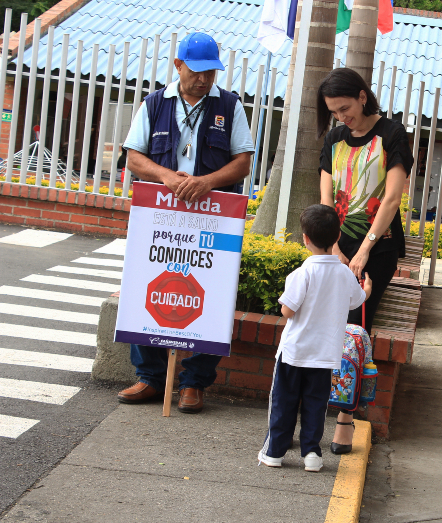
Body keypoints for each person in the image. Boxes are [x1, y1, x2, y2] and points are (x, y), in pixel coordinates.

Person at [117, 32, 255, 413]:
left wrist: (206, 182)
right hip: (160, 216)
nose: (204, 79)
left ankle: (194, 384)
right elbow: (133, 158)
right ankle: (150, 378)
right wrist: (165, 175)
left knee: (210, 294)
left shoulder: (230, 106)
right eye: (197, 72)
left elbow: (243, 161)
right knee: (149, 286)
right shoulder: (154, 104)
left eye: (211, 72)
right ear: (178, 66)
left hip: (213, 217)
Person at [316, 67, 413, 455]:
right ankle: (313, 403)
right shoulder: (335, 137)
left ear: (361, 95)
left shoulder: (392, 134)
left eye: (345, 108)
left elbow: (391, 199)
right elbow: (326, 199)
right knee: (325, 324)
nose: (342, 117)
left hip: (377, 247)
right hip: (335, 247)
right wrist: (334, 247)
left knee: (356, 328)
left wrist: (363, 250)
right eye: (334, 112)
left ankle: (345, 418)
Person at [257, 204, 372, 472]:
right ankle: (312, 454)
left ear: (305, 238)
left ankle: (274, 452)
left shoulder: (302, 273)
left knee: (283, 403)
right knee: (315, 405)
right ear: (337, 236)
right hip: (324, 356)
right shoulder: (344, 274)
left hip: (294, 353)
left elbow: (287, 311)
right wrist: (366, 289)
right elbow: (357, 300)